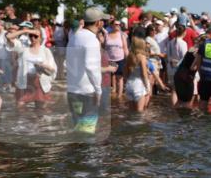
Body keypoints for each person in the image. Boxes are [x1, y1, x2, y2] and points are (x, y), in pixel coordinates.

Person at [66, 7, 105, 135]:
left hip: (73, 91)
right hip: (87, 93)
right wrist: (98, 90)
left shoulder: (75, 36)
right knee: (87, 132)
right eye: (102, 20)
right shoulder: (91, 40)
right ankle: (87, 155)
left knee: (78, 128)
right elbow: (90, 66)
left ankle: (77, 154)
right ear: (98, 22)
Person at [7, 24, 57, 106]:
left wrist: (42, 66)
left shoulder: (46, 51)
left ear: (40, 37)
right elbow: (9, 37)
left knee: (40, 111)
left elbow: (53, 69)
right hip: (24, 81)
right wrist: (25, 31)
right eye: (31, 36)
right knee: (20, 107)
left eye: (35, 36)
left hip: (40, 82)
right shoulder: (23, 49)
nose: (33, 38)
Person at [105, 19, 128, 98]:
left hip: (120, 59)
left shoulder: (122, 35)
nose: (117, 26)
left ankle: (119, 96)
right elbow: (104, 47)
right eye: (116, 24)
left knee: (119, 78)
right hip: (109, 59)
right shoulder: (107, 34)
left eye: (119, 24)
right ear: (111, 25)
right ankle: (108, 96)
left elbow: (125, 48)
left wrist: (128, 59)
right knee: (108, 78)